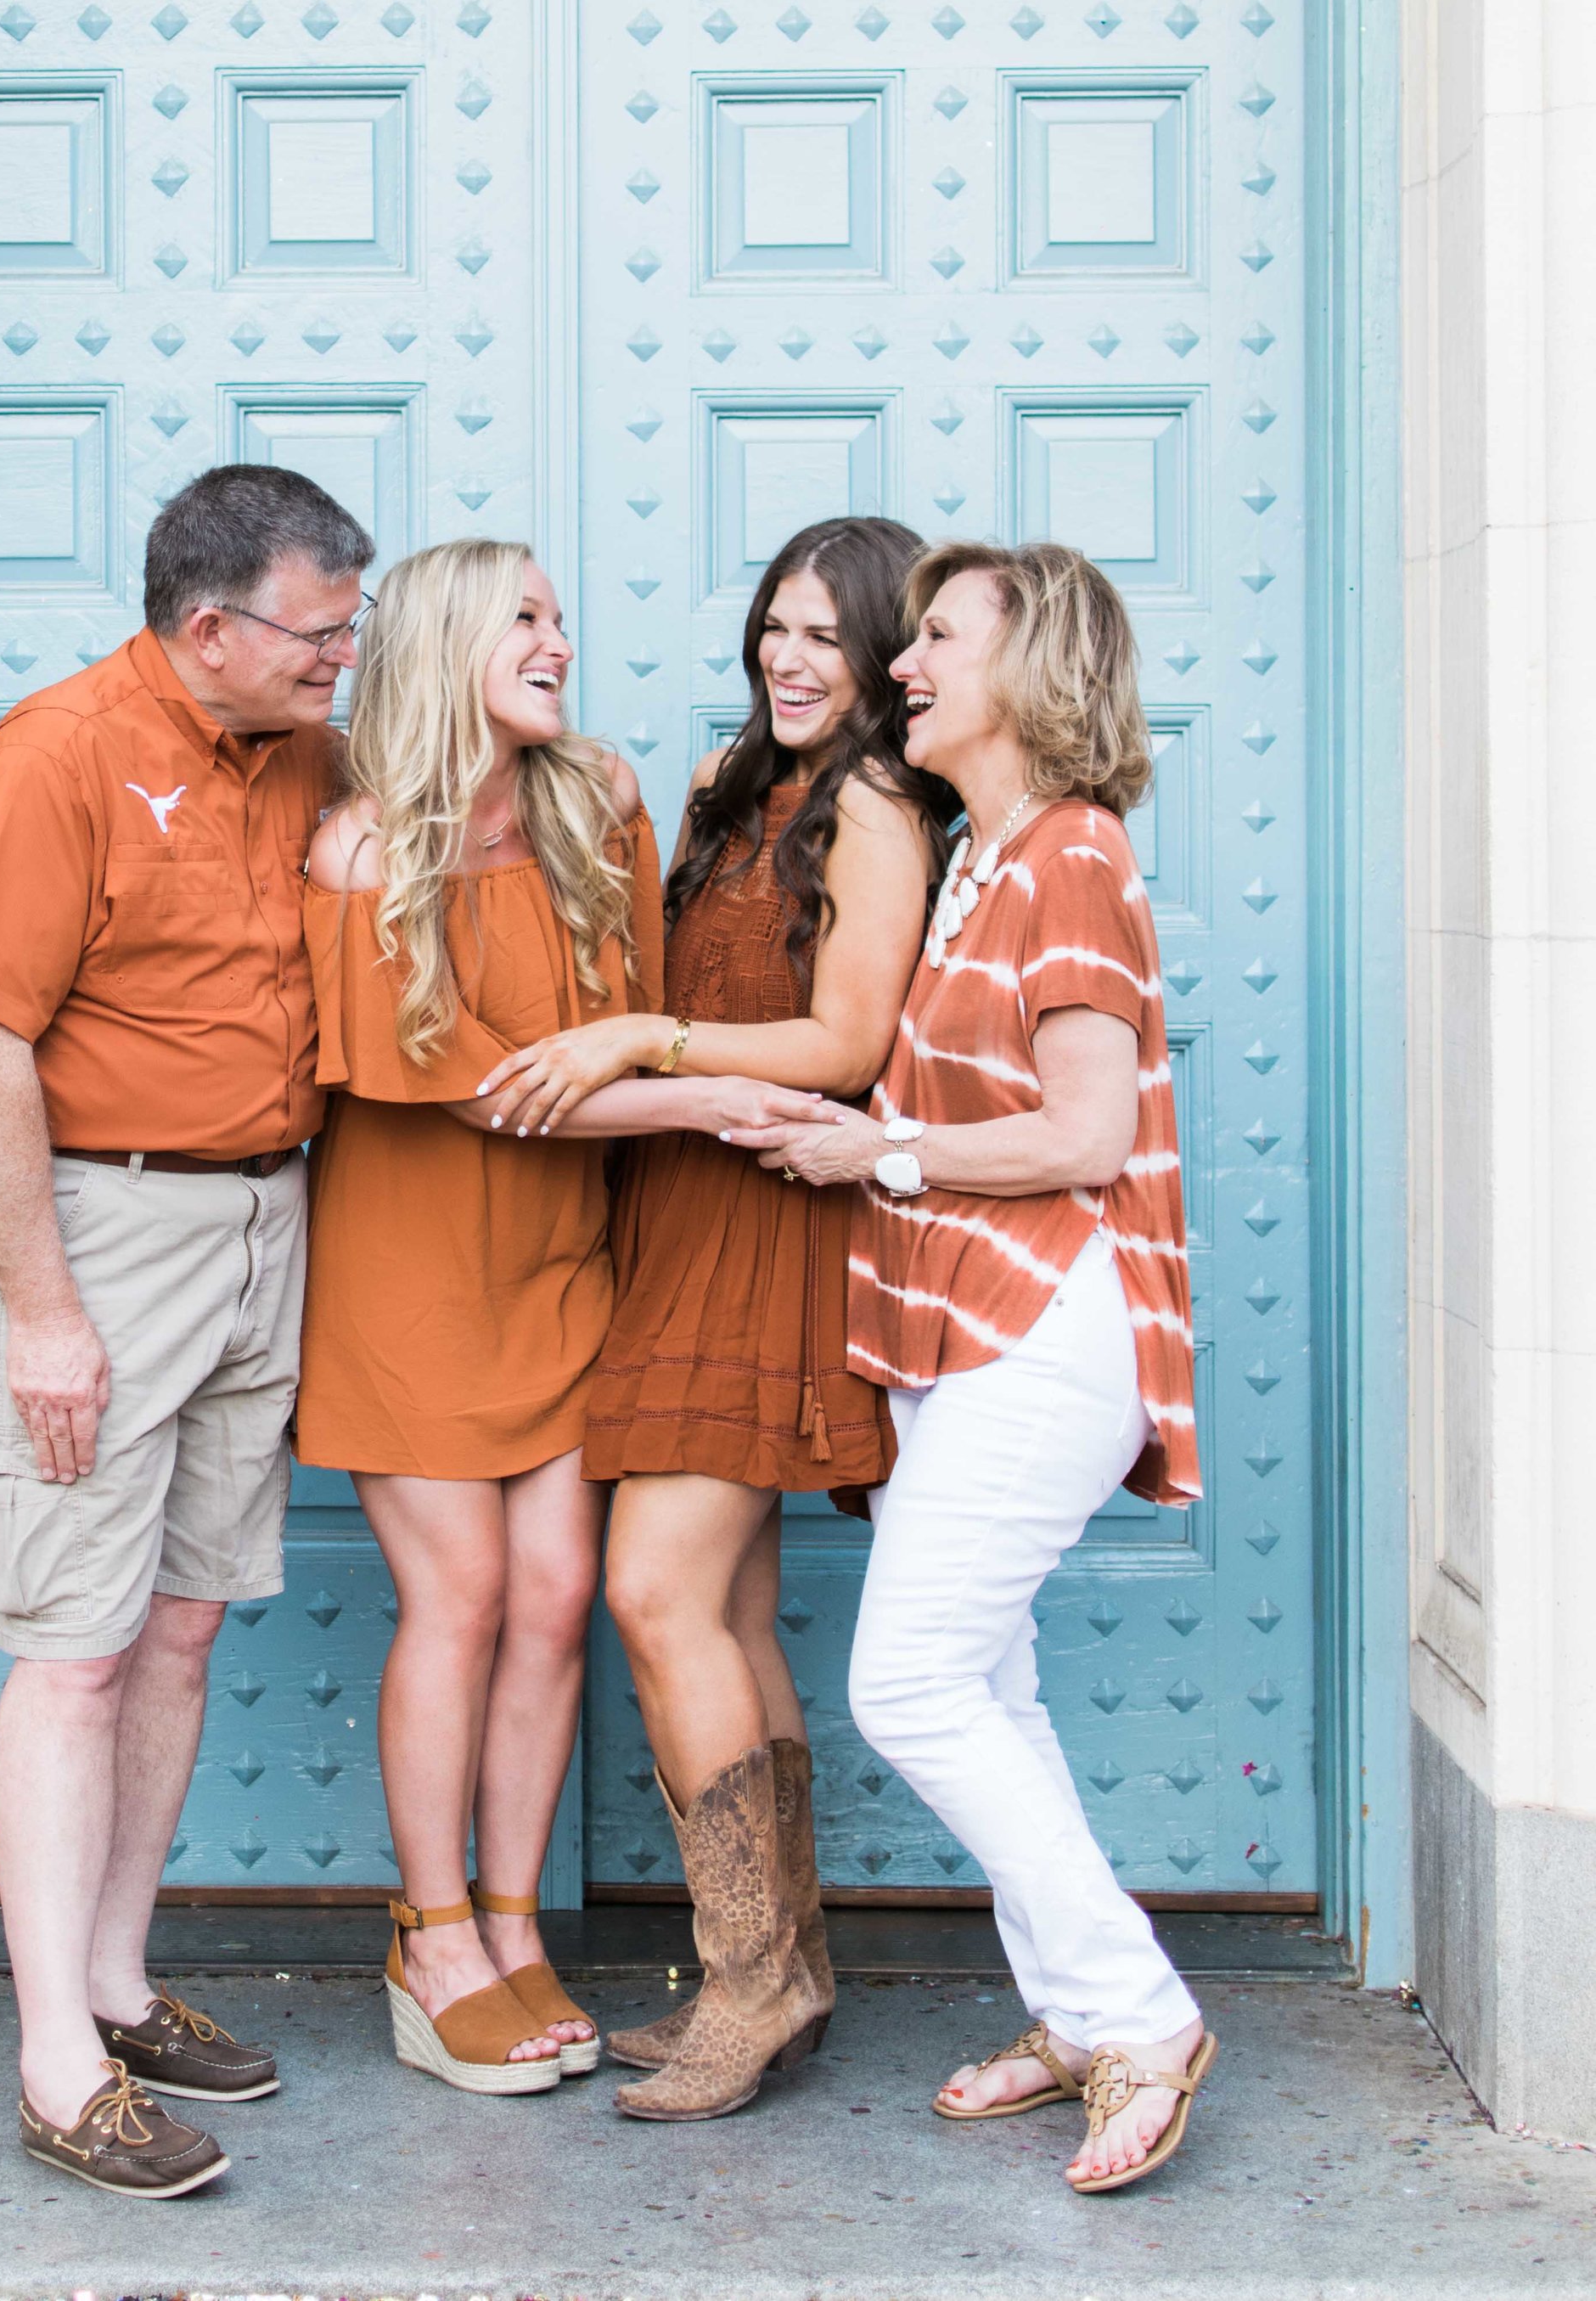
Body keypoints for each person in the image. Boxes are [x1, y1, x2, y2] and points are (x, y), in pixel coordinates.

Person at [731, 541, 1213, 2197]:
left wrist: (888, 1160)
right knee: (985, 1682)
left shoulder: (1069, 854)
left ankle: (1139, 2015)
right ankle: (1076, 2013)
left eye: (938, 638)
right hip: (972, 1327)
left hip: (1046, 1327)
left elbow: (1082, 1130)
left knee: (910, 1684)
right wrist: (858, 1138)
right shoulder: (985, 858)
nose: (903, 663)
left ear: (1035, 674)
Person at [299, 541, 810, 2098]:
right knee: (455, 1596)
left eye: (560, 614)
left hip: (568, 1259)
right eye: (524, 617)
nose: (559, 640)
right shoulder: (365, 847)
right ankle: (429, 1932)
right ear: (451, 641)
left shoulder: (596, 796)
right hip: (412, 1270)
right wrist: (722, 1092)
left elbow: (628, 1013)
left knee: (559, 1586)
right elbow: (492, 1084)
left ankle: (514, 1929)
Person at [0, 464, 373, 2199]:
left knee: (180, 1627)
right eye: (320, 634)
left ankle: (115, 1985)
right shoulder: (52, 760)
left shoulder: (304, 747)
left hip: (269, 1213)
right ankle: (53, 2067)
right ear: (209, 629)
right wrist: (43, 1314)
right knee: (77, 1647)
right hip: (100, 1232)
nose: (345, 660)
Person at [473, 516, 949, 2121]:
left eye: (826, 635)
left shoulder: (878, 804)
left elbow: (844, 1042)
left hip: (777, 1219)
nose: (790, 659)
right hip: (683, 1214)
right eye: (775, 629)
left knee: (656, 1587)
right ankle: (783, 1976)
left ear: (889, 656)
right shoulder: (728, 791)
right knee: (730, 1609)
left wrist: (644, 1036)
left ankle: (748, 1980)